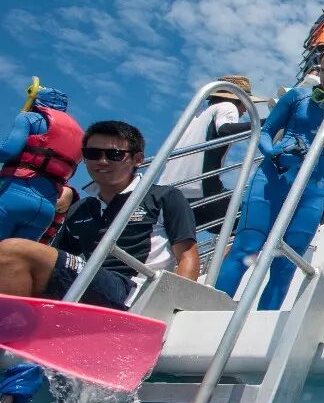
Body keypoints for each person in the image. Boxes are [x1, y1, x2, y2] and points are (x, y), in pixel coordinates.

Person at [215, 47, 324, 310]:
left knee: (285, 266)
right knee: (246, 248)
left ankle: (261, 324)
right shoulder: (297, 97)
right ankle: (209, 313)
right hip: (273, 180)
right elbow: (266, 130)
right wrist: (271, 152)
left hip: (312, 195)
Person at [0, 120, 199, 311]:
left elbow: (187, 256)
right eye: (93, 154)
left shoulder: (163, 197)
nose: (102, 161)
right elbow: (58, 258)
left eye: (114, 154)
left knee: (13, 250)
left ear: (138, 159)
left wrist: (174, 309)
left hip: (135, 291)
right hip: (91, 281)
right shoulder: (81, 208)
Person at [158, 75, 256, 233]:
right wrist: (263, 124)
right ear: (238, 99)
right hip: (200, 193)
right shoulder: (227, 106)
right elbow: (225, 129)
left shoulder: (196, 119)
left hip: (167, 193)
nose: (245, 110)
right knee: (254, 221)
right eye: (246, 103)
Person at [0, 84, 82, 241]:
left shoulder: (29, 118)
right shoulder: (79, 136)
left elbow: (7, 151)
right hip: (45, 211)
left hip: (12, 197)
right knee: (17, 256)